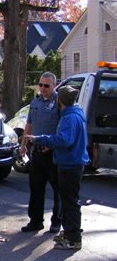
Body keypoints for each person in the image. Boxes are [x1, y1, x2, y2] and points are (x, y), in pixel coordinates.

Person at [24, 86, 90, 250]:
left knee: (70, 203)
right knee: (70, 201)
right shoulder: (76, 113)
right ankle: (69, 233)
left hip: (70, 164)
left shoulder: (69, 118)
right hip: (73, 162)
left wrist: (40, 139)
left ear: (60, 100)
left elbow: (64, 140)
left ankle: (73, 238)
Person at [20, 72, 61, 233]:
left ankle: (57, 221)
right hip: (36, 152)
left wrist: (52, 145)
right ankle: (35, 221)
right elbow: (29, 125)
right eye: (41, 85)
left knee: (58, 189)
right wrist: (23, 145)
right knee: (36, 188)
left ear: (54, 85)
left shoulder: (60, 103)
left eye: (47, 85)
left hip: (53, 153)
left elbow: (62, 128)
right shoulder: (35, 102)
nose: (42, 88)